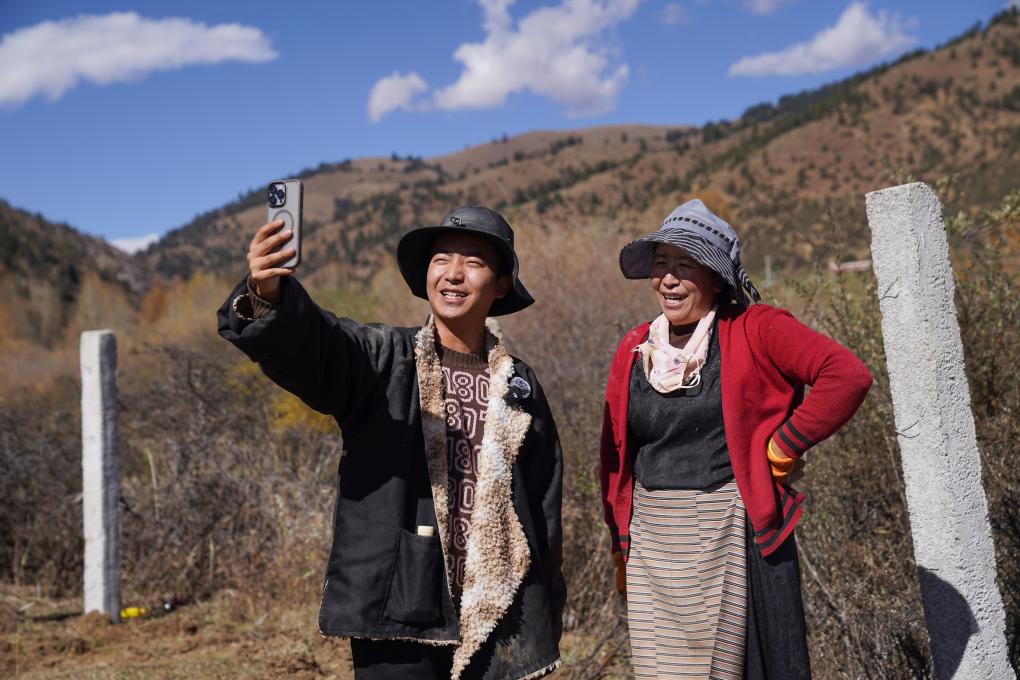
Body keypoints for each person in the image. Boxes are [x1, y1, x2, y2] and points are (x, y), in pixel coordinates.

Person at [217, 206, 565, 680]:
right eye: (441, 259)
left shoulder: (518, 385)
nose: (453, 274)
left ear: (500, 285)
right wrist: (267, 293)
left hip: (497, 610)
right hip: (399, 606)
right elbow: (319, 346)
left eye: (474, 262)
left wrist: (545, 610)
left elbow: (543, 511)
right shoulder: (384, 360)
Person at [598, 199, 873, 679]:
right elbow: (615, 455)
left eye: (686, 265)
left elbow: (846, 376)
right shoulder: (636, 346)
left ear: (716, 277)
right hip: (652, 544)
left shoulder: (755, 329)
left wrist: (785, 444)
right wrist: (619, 544)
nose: (669, 279)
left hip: (724, 530)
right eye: (661, 264)